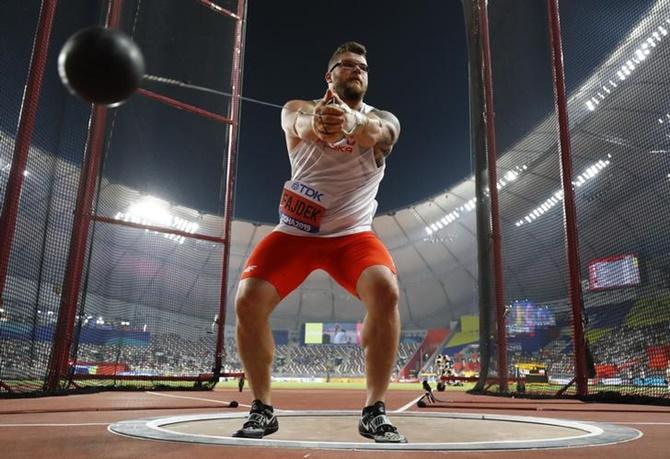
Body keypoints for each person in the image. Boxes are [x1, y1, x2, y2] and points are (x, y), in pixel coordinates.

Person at [232, 41, 405, 443]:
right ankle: (262, 408)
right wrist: (320, 122)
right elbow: (299, 124)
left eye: (362, 66)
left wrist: (352, 124)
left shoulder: (382, 119)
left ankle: (374, 410)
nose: (356, 70)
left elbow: (380, 134)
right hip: (295, 234)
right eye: (346, 65)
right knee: (247, 300)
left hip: (352, 236)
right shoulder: (298, 108)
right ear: (329, 76)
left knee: (385, 290)